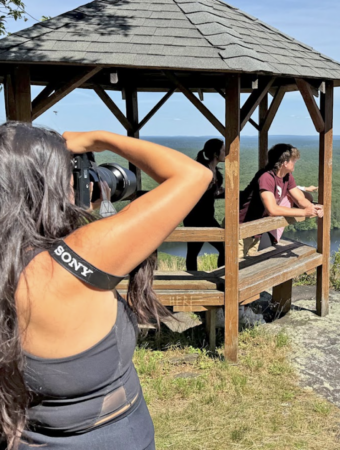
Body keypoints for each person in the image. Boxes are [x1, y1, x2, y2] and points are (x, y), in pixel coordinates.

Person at [0, 122, 213, 449]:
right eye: (68, 177)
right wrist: (100, 139)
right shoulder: (67, 265)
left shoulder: (15, 267)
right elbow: (194, 175)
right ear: (47, 186)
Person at [238, 143, 322, 257]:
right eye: (293, 160)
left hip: (256, 229)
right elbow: (272, 209)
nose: (295, 162)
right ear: (285, 163)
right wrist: (303, 212)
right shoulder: (266, 177)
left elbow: (300, 199)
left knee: (248, 266)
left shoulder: (287, 177)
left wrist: (313, 208)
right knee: (237, 268)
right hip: (241, 227)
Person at [183, 138, 225, 271]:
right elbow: (190, 190)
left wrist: (218, 191)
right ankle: (192, 280)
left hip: (208, 217)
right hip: (194, 217)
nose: (226, 153)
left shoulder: (217, 173)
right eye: (223, 150)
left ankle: (221, 276)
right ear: (215, 154)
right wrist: (207, 188)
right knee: (193, 251)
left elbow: (212, 192)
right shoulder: (200, 170)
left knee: (223, 246)